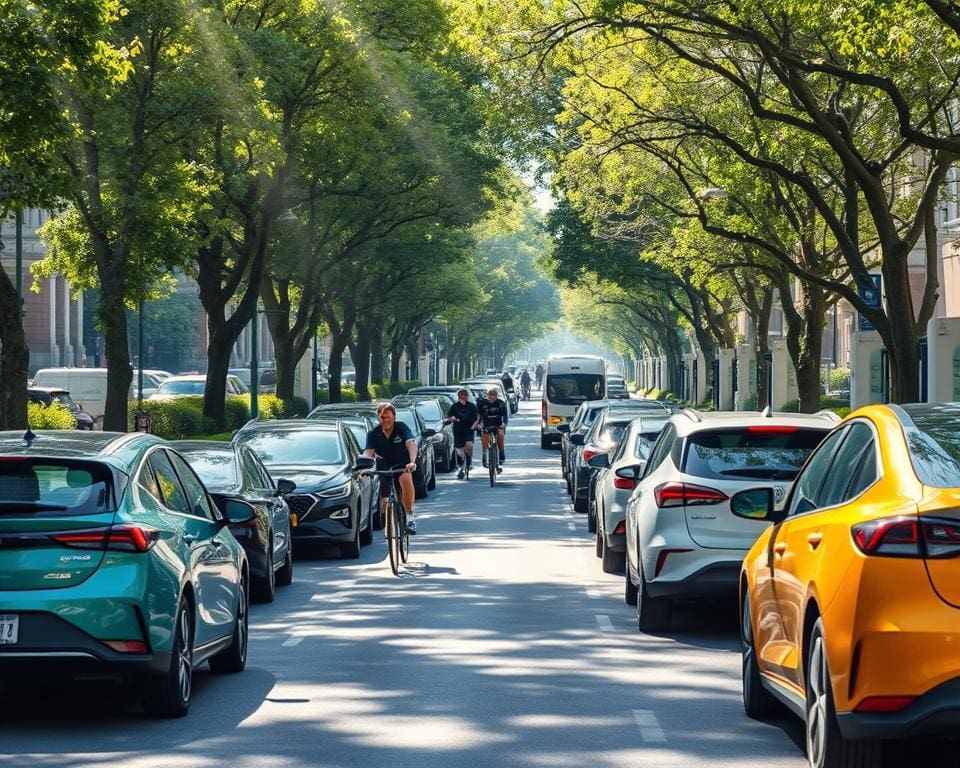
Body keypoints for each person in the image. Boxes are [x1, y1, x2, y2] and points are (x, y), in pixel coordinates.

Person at [364, 402, 419, 534]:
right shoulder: (373, 433)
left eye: (388, 417)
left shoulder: (401, 428)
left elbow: (410, 443)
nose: (385, 420)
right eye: (382, 417)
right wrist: (364, 466)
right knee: (385, 499)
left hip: (402, 464)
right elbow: (368, 453)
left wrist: (412, 461)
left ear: (394, 416)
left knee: (406, 479)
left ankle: (409, 515)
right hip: (384, 466)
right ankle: (389, 523)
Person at [445, 388, 479, 480]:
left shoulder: (472, 406)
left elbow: (476, 418)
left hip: (469, 430)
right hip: (458, 431)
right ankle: (461, 468)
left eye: (465, 395)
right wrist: (452, 418)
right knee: (459, 452)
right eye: (461, 396)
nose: (463, 397)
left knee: (469, 445)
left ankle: (469, 462)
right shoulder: (455, 406)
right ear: (459, 397)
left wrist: (475, 425)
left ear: (467, 397)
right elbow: (449, 416)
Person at [477, 386, 508, 472]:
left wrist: (504, 424)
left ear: (496, 396)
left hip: (498, 425)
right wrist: (479, 424)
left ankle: (501, 452)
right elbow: (479, 415)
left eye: (493, 395)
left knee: (500, 434)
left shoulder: (501, 403)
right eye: (489, 394)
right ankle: (484, 455)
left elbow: (505, 417)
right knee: (484, 436)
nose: (491, 396)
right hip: (487, 425)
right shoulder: (483, 404)